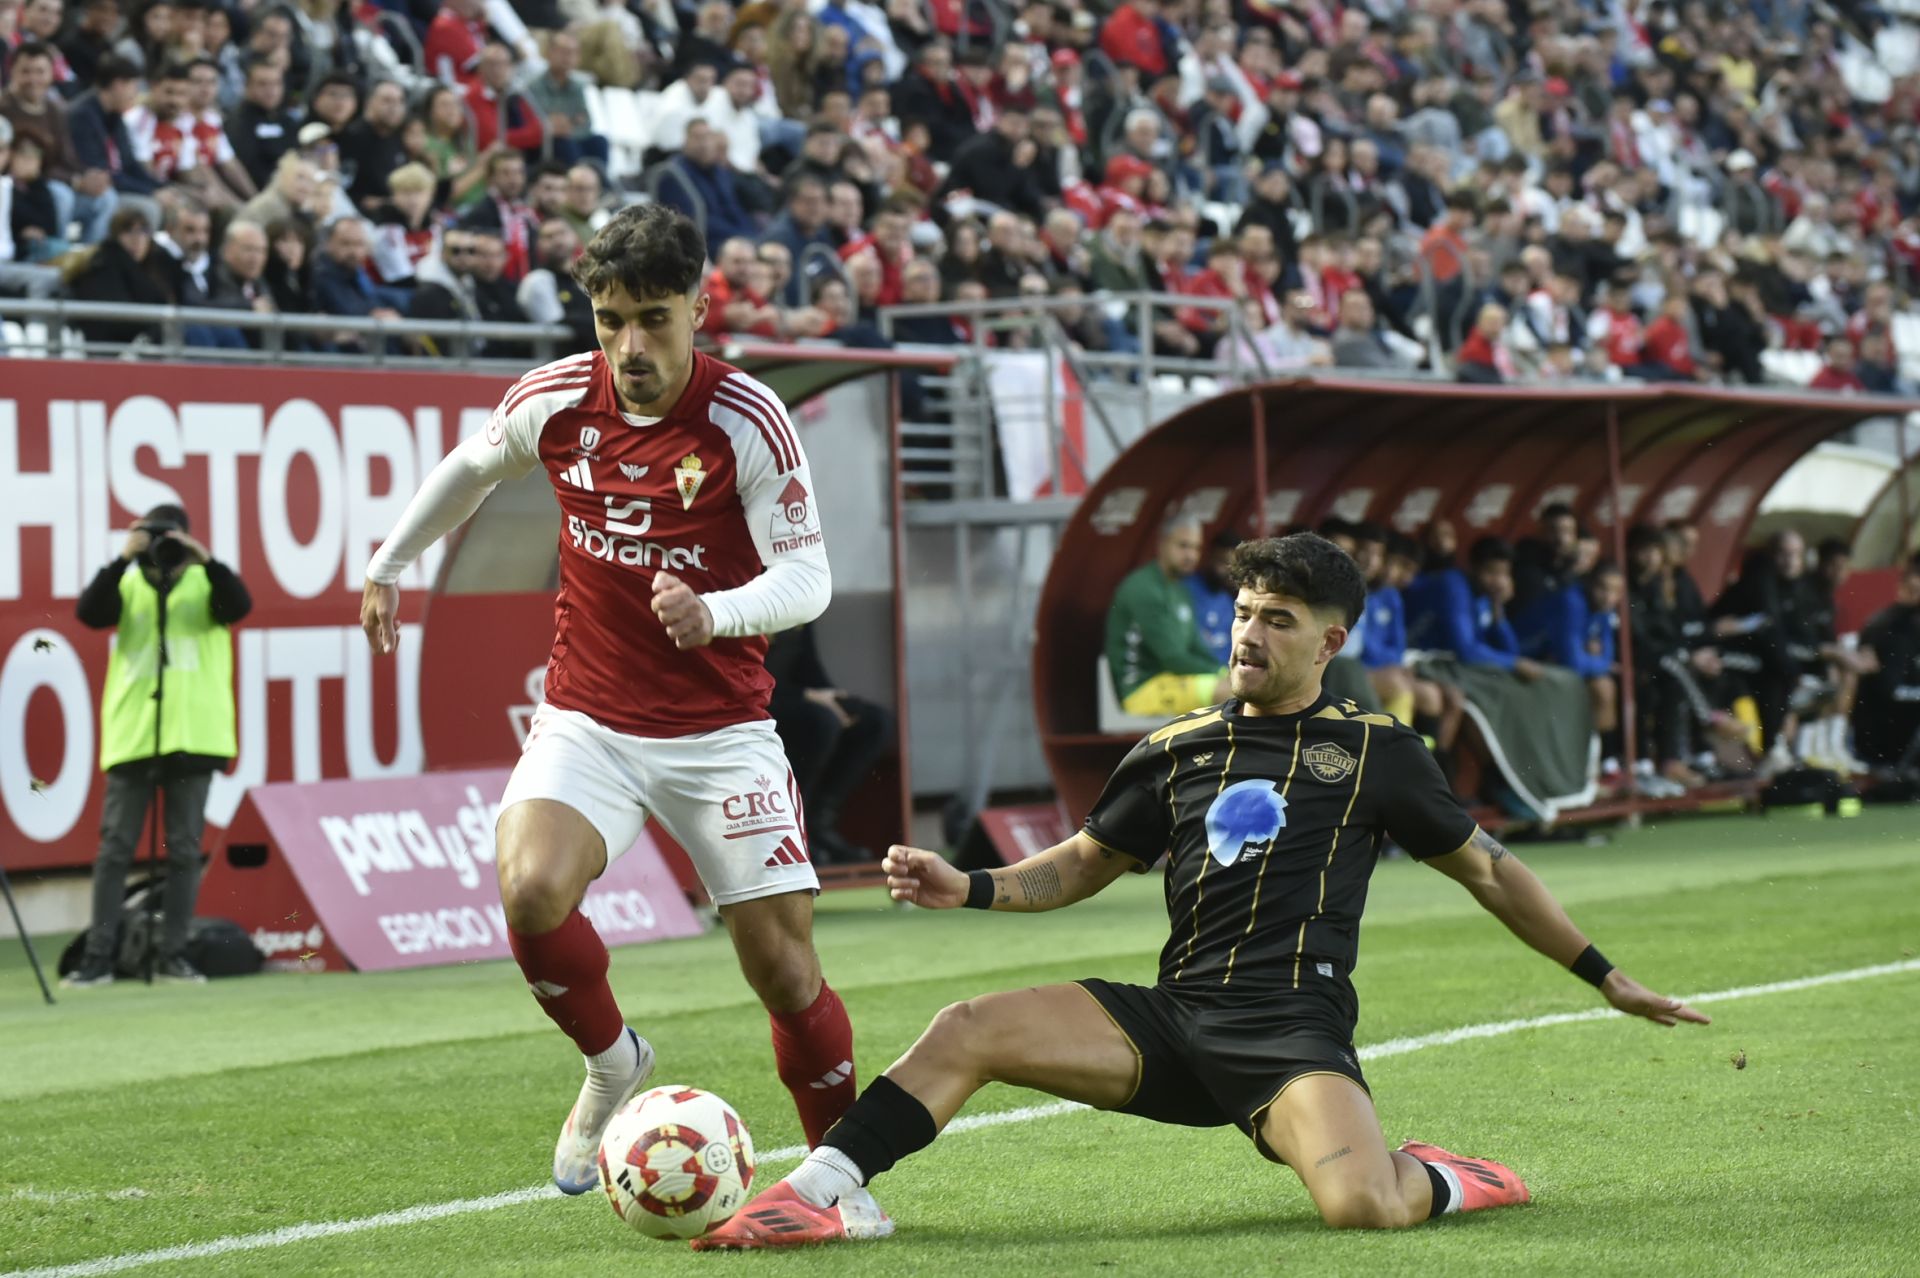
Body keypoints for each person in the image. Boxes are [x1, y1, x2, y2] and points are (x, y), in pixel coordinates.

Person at [697, 533, 1708, 1249]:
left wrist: (1604, 975)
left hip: (1291, 1033)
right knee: (968, 1025)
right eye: (1242, 614)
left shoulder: (1375, 754)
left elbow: (1491, 871)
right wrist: (968, 886)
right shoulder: (1175, 750)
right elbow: (1084, 864)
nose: (1250, 635)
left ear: (1330, 642)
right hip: (1174, 1023)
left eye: (1279, 620)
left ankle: (1447, 1176)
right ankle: (821, 1190)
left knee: (1363, 1208)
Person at [358, 204, 887, 1235]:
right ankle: (613, 1062)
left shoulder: (747, 419)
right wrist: (388, 565)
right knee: (530, 888)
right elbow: (473, 467)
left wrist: (717, 614)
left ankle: (846, 1182)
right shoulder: (557, 398)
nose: (631, 347)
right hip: (588, 717)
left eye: (653, 318)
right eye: (610, 322)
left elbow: (810, 578)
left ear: (700, 305)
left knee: (783, 973)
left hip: (721, 731)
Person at [63, 504, 252, 987]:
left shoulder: (207, 581)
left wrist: (203, 561)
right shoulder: (126, 582)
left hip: (193, 736)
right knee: (115, 850)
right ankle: (98, 959)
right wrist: (121, 559)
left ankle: (174, 955)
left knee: (185, 850)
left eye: (174, 542)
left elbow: (239, 605)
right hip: (135, 734)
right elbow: (88, 613)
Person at [765, 622, 895, 865]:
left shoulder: (797, 599)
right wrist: (806, 696)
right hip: (757, 704)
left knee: (875, 722)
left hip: (799, 697)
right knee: (822, 723)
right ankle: (793, 827)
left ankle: (819, 824)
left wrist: (832, 697)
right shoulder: (742, 595)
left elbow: (808, 664)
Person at [1105, 513, 1229, 717]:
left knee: (1248, 689)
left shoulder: (1180, 590)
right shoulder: (1144, 588)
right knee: (1231, 692)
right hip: (1141, 689)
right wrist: (1220, 674)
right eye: (1183, 546)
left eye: (1196, 548)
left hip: (1172, 679)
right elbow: (1172, 658)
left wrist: (1227, 672)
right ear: (1162, 544)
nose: (1191, 555)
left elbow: (1196, 647)